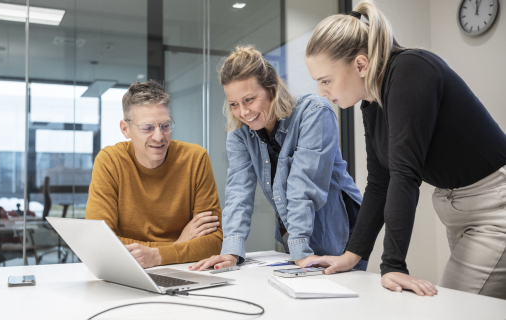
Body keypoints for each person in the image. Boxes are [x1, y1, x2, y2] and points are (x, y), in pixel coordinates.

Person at [300, 0, 506, 300]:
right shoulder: (372, 102)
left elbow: (404, 173)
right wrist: (352, 254)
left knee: (457, 308)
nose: (321, 92)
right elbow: (380, 182)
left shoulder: (411, 69)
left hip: (493, 207)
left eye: (325, 80)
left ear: (360, 64)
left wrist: (393, 265)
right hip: (458, 210)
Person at [189, 46, 366, 272]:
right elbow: (238, 191)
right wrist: (231, 251)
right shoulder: (240, 132)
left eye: (249, 99)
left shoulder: (313, 113)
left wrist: (299, 248)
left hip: (338, 229)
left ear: (271, 89)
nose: (243, 112)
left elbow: (303, 187)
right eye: (234, 104)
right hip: (294, 235)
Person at [85, 80, 223, 268]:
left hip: (185, 269)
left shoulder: (195, 158)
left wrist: (157, 255)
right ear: (125, 129)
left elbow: (213, 243)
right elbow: (100, 243)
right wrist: (178, 245)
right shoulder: (110, 161)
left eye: (165, 126)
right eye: (148, 128)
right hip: (127, 270)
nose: (159, 137)